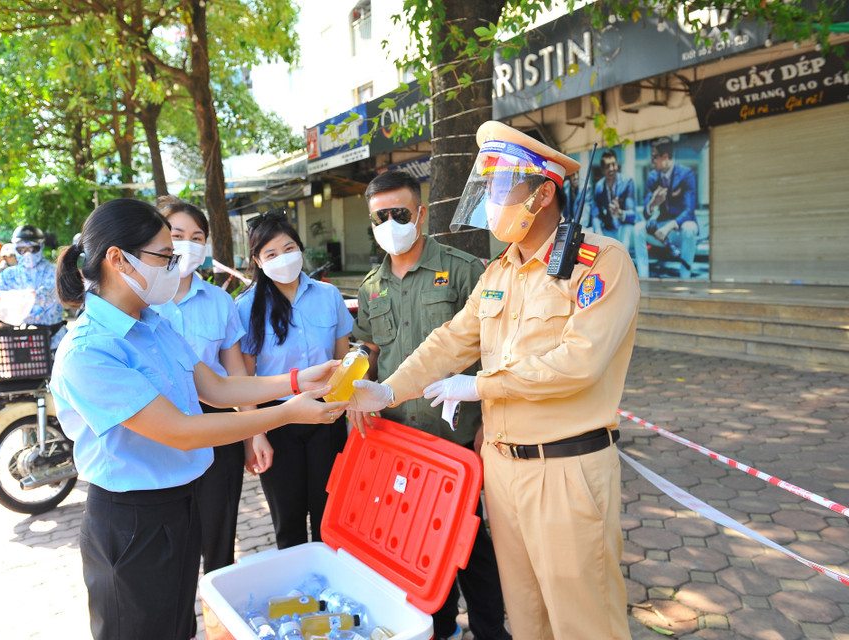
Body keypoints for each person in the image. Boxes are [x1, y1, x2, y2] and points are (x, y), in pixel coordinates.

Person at [349, 121, 640, 640]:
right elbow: (449, 341)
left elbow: (580, 361)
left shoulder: (600, 263)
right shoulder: (499, 272)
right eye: (487, 188)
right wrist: (389, 388)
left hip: (566, 467)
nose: (491, 202)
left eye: (502, 188)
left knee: (584, 619)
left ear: (544, 192)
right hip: (501, 473)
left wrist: (480, 386)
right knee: (527, 616)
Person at [50, 198, 347, 640]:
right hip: (132, 518)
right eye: (164, 257)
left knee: (175, 627)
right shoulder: (90, 350)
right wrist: (286, 414)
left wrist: (299, 379)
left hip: (179, 502)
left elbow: (217, 387)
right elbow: (181, 432)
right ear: (117, 259)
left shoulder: (152, 323)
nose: (173, 267)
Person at [352, 170, 510, 640]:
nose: (390, 223)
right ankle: (437, 629)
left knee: (472, 546)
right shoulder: (370, 286)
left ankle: (489, 630)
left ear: (420, 214)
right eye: (380, 217)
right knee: (418, 541)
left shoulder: (465, 270)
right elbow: (368, 349)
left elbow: (494, 350)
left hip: (459, 438)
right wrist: (355, 372)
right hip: (400, 442)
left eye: (399, 213)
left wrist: (490, 424)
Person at [151, 198, 274, 578]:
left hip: (217, 425)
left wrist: (255, 433)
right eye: (176, 235)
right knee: (168, 543)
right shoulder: (141, 301)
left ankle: (218, 617)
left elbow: (234, 372)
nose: (187, 244)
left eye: (197, 236)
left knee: (219, 533)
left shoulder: (220, 301)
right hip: (157, 425)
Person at [234, 209, 353, 549]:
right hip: (276, 420)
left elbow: (343, 360)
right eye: (271, 253)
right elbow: (243, 378)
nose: (282, 259)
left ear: (300, 249)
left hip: (326, 414)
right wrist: (253, 434)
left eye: (288, 249)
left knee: (328, 515)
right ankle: (300, 596)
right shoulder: (245, 307)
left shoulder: (328, 296)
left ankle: (330, 594)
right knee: (288, 521)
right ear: (257, 260)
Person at [0, 225, 67, 346]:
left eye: (33, 249)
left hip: (54, 341)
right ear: (15, 249)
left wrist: (37, 296)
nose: (28, 254)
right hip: (21, 343)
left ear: (41, 247)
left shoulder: (56, 272)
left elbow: (65, 296)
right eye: (22, 250)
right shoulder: (8, 275)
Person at [633, 136, 699, 278]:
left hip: (678, 230)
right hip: (660, 231)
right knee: (638, 229)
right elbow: (646, 213)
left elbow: (689, 210)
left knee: (690, 227)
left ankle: (685, 279)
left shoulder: (686, 174)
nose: (651, 161)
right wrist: (653, 204)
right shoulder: (652, 177)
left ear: (665, 157)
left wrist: (668, 227)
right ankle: (643, 278)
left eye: (654, 157)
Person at [592, 149, 637, 255]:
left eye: (613, 164)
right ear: (603, 170)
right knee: (590, 233)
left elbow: (632, 214)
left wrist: (620, 213)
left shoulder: (627, 182)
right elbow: (595, 215)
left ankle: (623, 258)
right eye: (607, 166)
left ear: (617, 165)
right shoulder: (599, 187)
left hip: (625, 227)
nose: (611, 169)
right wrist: (598, 231)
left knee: (625, 233)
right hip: (609, 229)